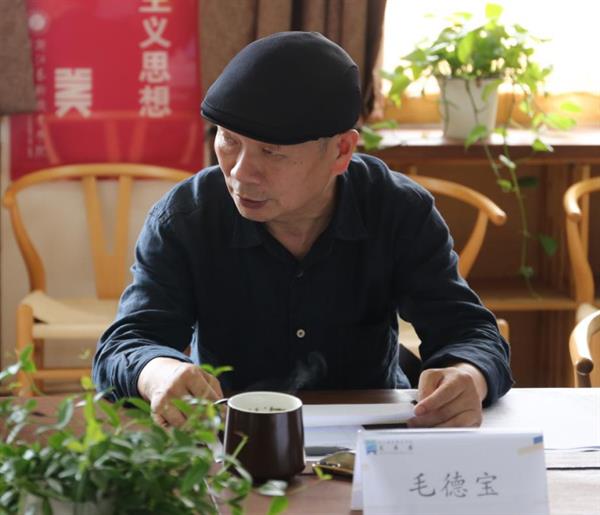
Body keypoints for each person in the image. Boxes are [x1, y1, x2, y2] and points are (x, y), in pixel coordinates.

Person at [93, 31, 512, 429]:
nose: (240, 173)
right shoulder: (187, 218)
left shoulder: (397, 210)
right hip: (232, 436)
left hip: (371, 434)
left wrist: (467, 375)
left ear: (341, 151)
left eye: (271, 152)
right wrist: (160, 372)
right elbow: (127, 343)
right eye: (229, 140)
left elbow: (470, 332)